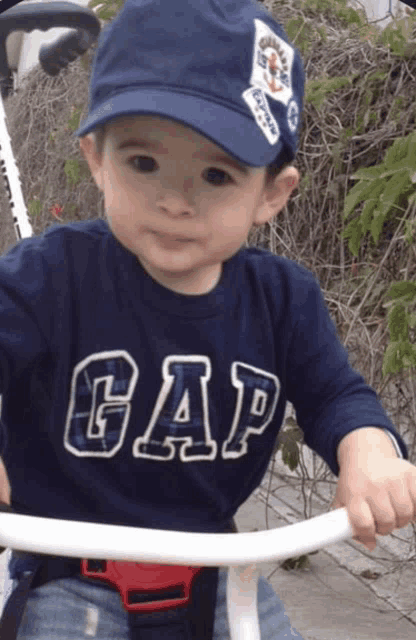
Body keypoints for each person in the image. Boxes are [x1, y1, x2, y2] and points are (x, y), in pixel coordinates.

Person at [0, 0, 415, 638]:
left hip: (219, 573)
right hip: (72, 571)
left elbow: (336, 393)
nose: (174, 200)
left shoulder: (283, 299)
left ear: (271, 193)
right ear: (96, 158)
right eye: (144, 162)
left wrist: (371, 451)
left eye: (217, 174)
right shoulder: (48, 276)